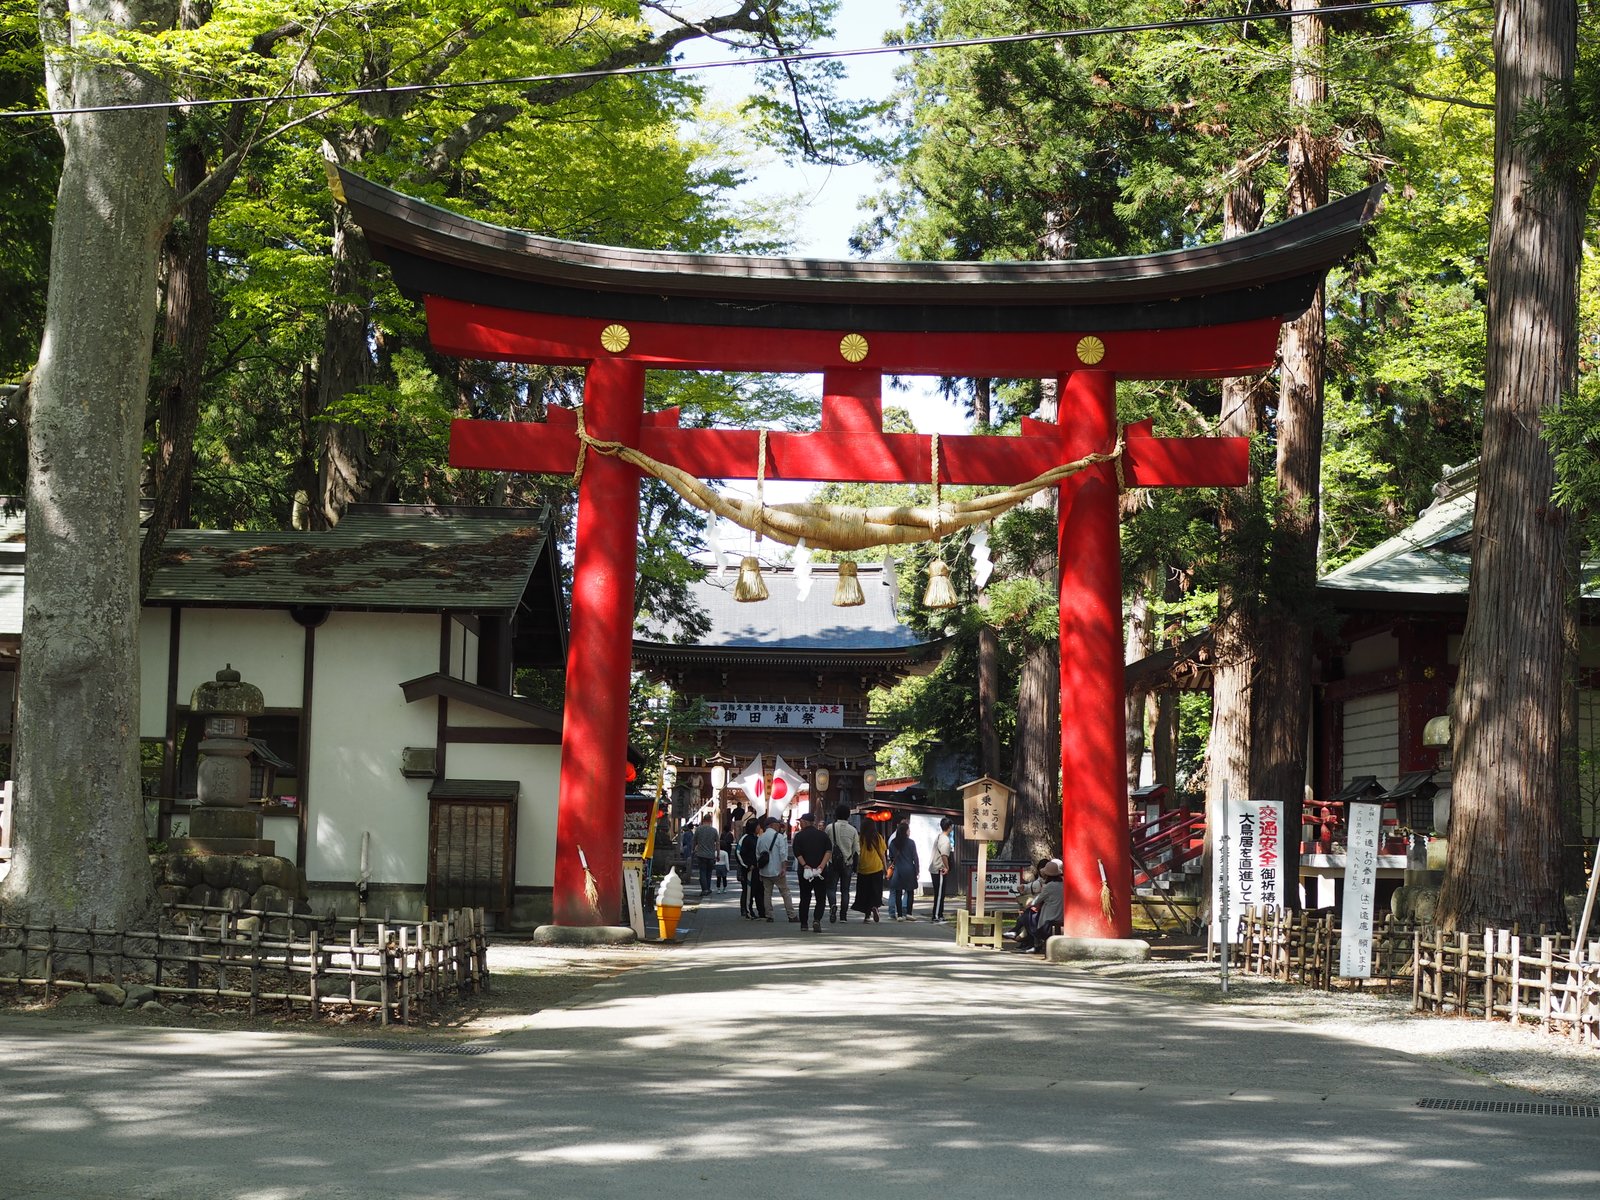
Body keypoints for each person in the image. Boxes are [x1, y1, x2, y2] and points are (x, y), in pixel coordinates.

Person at [791, 810, 832, 932]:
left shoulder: (799, 836)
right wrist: (821, 866)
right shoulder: (823, 835)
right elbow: (828, 851)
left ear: (804, 822)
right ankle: (816, 920)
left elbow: (797, 853)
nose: (800, 824)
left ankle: (804, 923)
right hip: (820, 872)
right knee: (820, 897)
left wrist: (805, 865)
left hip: (805, 872)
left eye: (801, 822)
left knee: (805, 896)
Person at [755, 816, 796, 922]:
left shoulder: (761, 837)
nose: (779, 826)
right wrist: (784, 867)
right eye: (777, 824)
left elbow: (758, 854)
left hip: (765, 870)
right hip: (777, 870)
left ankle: (769, 915)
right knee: (785, 892)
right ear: (772, 825)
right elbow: (783, 853)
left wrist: (760, 869)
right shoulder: (779, 837)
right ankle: (791, 915)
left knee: (767, 893)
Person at [1019, 858, 1065, 952]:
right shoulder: (1063, 884)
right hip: (1061, 913)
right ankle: (1026, 938)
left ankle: (1035, 942)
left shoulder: (1049, 886)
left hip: (1050, 915)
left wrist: (1029, 905)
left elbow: (1037, 899)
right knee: (1030, 914)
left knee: (1029, 915)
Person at [824, 803, 859, 923]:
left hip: (833, 862)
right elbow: (856, 850)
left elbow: (826, 846)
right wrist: (855, 866)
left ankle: (833, 905)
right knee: (845, 890)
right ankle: (843, 915)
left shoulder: (829, 827)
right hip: (847, 863)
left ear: (836, 814)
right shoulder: (853, 830)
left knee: (831, 888)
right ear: (848, 816)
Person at [851, 822, 887, 923]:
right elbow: (882, 854)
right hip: (876, 867)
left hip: (863, 868)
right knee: (875, 890)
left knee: (865, 892)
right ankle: (875, 906)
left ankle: (867, 916)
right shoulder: (878, 837)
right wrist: (885, 867)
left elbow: (856, 852)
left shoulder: (860, 838)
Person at [887, 819, 920, 921]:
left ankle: (900, 915)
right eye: (908, 830)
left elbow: (891, 857)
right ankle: (909, 913)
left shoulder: (893, 842)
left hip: (898, 870)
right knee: (910, 892)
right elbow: (915, 857)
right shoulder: (911, 843)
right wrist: (917, 870)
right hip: (910, 869)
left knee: (898, 892)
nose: (909, 832)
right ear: (905, 831)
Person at [929, 815, 956, 922]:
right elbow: (944, 855)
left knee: (939, 893)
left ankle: (939, 914)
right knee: (940, 893)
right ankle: (936, 915)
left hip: (935, 868)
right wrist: (947, 867)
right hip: (939, 869)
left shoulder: (939, 836)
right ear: (949, 827)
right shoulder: (945, 839)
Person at [736, 818, 765, 919]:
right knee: (748, 890)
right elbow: (738, 853)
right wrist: (747, 865)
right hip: (749, 870)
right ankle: (747, 911)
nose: (759, 828)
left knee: (758, 890)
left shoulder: (756, 838)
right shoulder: (746, 838)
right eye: (758, 826)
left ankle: (761, 911)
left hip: (757, 869)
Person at [692, 813, 719, 899]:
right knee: (709, 872)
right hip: (711, 855)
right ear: (710, 821)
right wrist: (718, 854)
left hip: (701, 854)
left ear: (703, 820)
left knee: (702, 872)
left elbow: (694, 841)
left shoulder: (698, 830)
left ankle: (704, 889)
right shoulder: (714, 831)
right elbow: (717, 843)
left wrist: (693, 850)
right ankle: (708, 888)